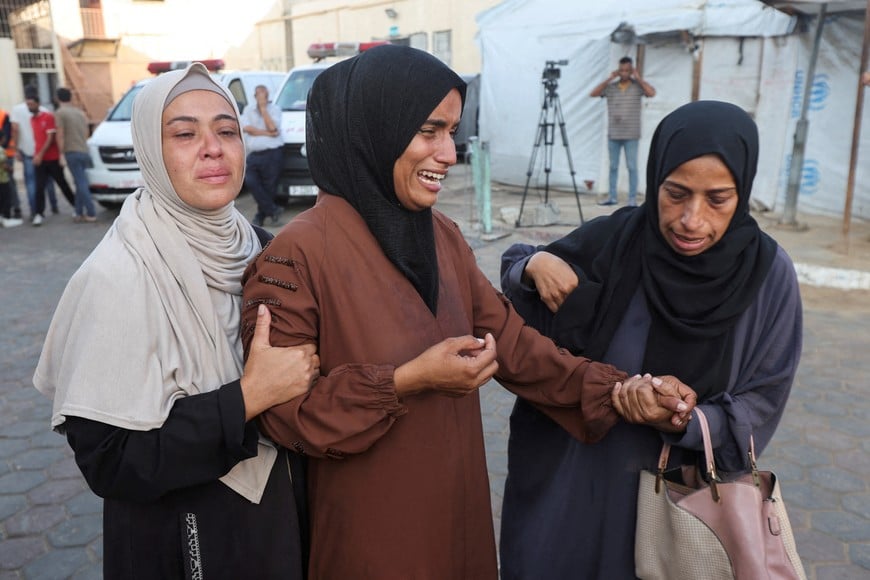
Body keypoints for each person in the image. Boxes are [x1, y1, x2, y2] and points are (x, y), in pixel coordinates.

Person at [240, 44, 695, 579]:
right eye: (428, 131)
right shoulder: (296, 255)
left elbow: (516, 345)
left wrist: (623, 392)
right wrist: (408, 380)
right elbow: (285, 417)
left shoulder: (441, 238)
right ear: (375, 128)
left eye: (452, 133)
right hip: (373, 532)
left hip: (459, 518)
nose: (449, 154)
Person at [33, 63, 319, 579]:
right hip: (181, 539)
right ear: (150, 149)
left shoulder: (263, 250)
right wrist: (248, 397)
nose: (213, 148)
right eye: (185, 133)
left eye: (227, 130)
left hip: (277, 519)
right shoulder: (117, 276)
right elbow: (111, 461)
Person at [498, 100, 803, 579]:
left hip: (682, 504)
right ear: (655, 178)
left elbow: (762, 400)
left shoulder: (768, 277)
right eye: (675, 194)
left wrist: (684, 416)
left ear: (741, 193)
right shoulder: (617, 239)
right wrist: (533, 265)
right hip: (573, 483)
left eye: (717, 199)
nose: (691, 219)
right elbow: (517, 278)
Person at [590, 56, 656, 206]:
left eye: (627, 70)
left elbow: (651, 93)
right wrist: (609, 79)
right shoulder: (611, 87)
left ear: (631, 70)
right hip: (614, 133)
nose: (624, 73)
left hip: (631, 134)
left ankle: (632, 199)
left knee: (632, 166)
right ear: (618, 71)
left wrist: (638, 78)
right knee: (613, 166)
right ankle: (612, 197)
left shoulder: (637, 87)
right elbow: (593, 93)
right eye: (622, 70)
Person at [27, 93, 76, 226]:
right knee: (39, 187)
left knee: (63, 184)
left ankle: (76, 206)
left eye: (31, 104)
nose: (29, 107)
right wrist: (36, 155)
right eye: (28, 104)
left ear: (38, 103)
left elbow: (50, 138)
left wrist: (39, 155)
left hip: (52, 158)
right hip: (40, 159)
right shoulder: (32, 119)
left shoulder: (47, 117)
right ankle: (38, 213)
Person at [11, 86, 59, 219]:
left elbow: (15, 130)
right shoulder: (43, 110)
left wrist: (15, 149)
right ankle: (54, 205)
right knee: (48, 180)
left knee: (32, 182)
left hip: (27, 151)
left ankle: (35, 210)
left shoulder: (17, 109)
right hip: (43, 152)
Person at [241, 84, 283, 226]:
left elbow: (273, 127)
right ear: (254, 96)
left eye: (264, 95)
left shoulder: (275, 109)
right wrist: (268, 134)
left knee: (269, 187)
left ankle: (260, 216)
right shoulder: (248, 110)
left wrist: (264, 110)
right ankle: (272, 209)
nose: (261, 98)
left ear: (267, 96)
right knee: (251, 181)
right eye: (259, 95)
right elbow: (247, 128)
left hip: (272, 153)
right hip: (254, 154)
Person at [54, 87, 98, 222]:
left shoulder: (60, 113)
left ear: (57, 98)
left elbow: (60, 134)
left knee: (81, 182)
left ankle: (91, 212)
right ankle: (78, 212)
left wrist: (61, 154)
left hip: (71, 151)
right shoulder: (80, 113)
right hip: (83, 149)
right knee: (79, 181)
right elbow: (86, 132)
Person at [0, 109, 23, 227]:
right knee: (5, 185)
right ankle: (6, 213)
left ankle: (15, 208)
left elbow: (6, 135)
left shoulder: (3, 115)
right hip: (3, 154)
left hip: (5, 154)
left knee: (8, 184)